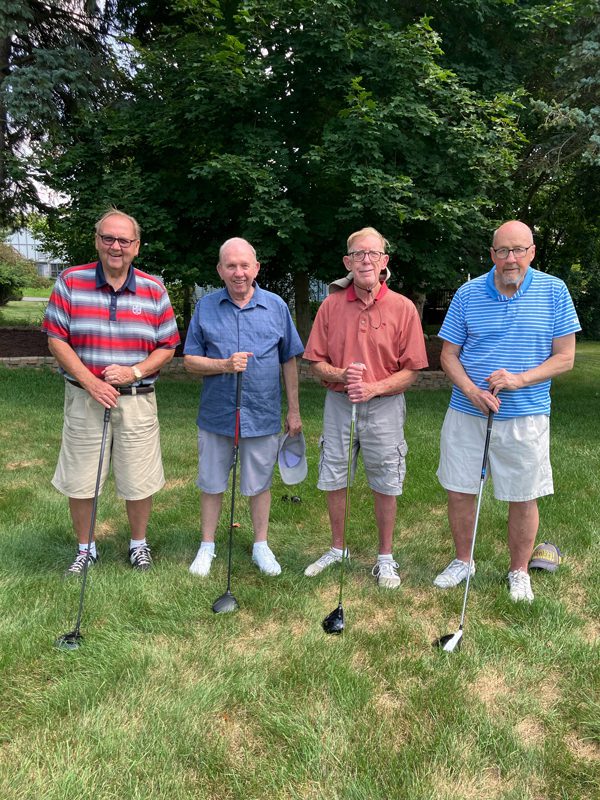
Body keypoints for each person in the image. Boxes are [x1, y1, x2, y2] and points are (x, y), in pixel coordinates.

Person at [434, 220, 581, 602]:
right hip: (467, 411)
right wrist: (470, 390)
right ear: (492, 255)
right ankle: (463, 561)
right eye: (502, 251)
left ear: (532, 252)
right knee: (460, 491)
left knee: (523, 494)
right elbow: (448, 355)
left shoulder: (554, 291)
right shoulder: (467, 294)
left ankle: (518, 571)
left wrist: (520, 379)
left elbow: (565, 358)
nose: (510, 259)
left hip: (527, 413)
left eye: (518, 250)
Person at [42, 209, 180, 574]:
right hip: (85, 399)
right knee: (81, 477)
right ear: (97, 241)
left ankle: (138, 545)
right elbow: (56, 339)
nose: (115, 246)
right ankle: (86, 549)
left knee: (139, 477)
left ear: (136, 246)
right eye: (108, 238)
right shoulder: (71, 281)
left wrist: (134, 371)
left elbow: (168, 346)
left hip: (137, 401)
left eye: (123, 240)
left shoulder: (154, 289)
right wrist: (92, 382)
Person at [302, 227, 428, 588]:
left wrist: (373, 388)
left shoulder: (403, 307)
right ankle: (337, 547)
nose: (366, 261)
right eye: (358, 254)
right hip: (339, 404)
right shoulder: (330, 305)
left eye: (373, 254)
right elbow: (316, 364)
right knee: (334, 475)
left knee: (386, 480)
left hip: (385, 406)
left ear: (384, 261)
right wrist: (342, 375)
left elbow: (411, 371)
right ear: (347, 262)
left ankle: (385, 557)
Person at [183, 237, 303, 577]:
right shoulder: (205, 307)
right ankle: (207, 547)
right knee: (211, 482)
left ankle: (260, 546)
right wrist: (223, 365)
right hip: (217, 413)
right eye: (231, 266)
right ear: (220, 270)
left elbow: (289, 360)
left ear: (256, 268)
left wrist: (293, 410)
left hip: (262, 412)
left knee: (259, 483)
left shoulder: (277, 306)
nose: (239, 272)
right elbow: (190, 360)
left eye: (245, 265)